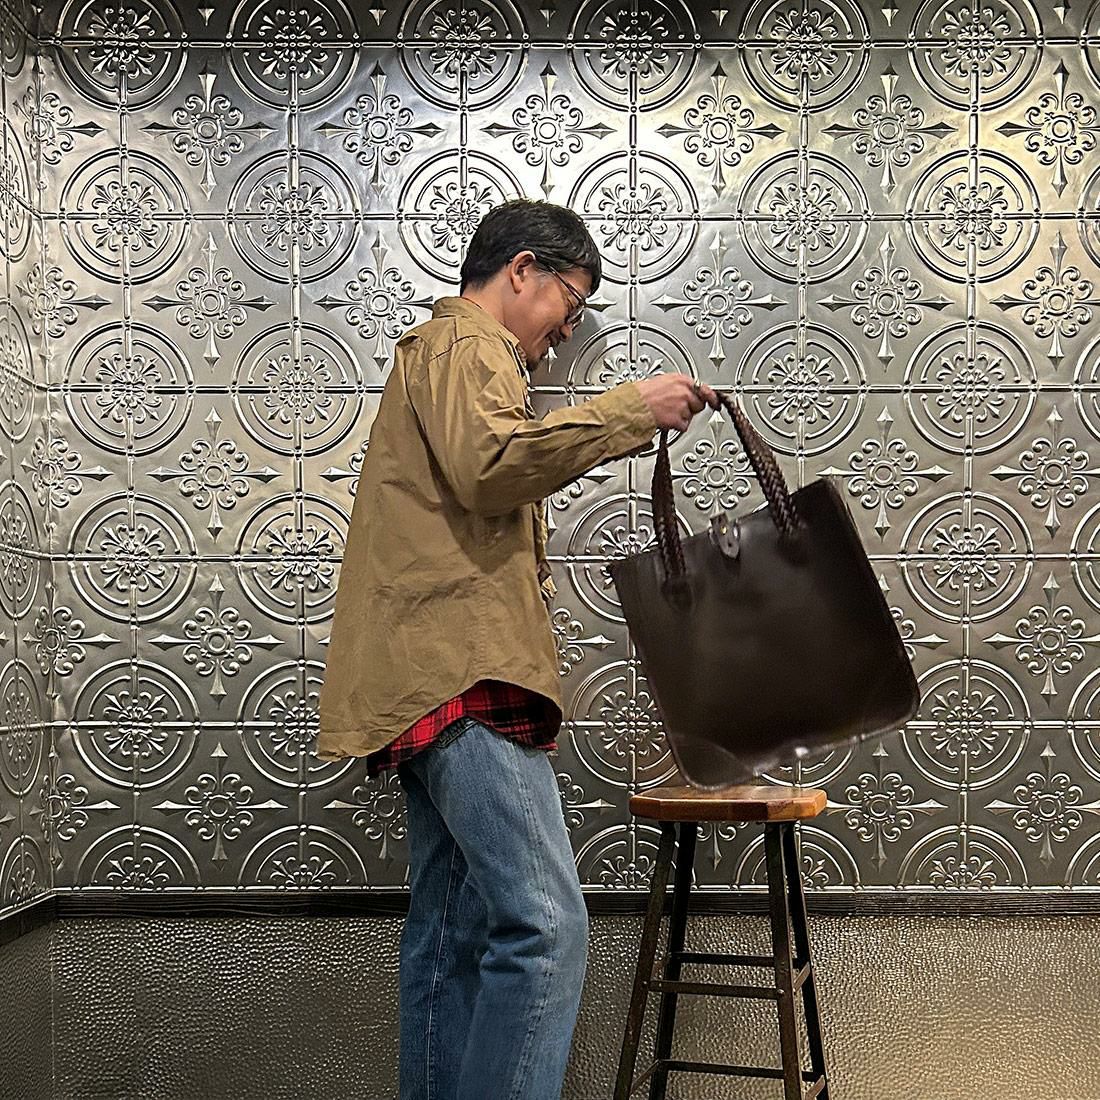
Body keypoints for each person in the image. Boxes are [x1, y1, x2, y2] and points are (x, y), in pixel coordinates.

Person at [314, 198, 718, 1100]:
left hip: (422, 677)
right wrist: (631, 410)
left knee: (451, 935)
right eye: (569, 304)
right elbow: (490, 468)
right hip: (462, 673)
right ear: (523, 269)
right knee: (544, 926)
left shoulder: (437, 353)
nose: (564, 331)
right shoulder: (469, 345)